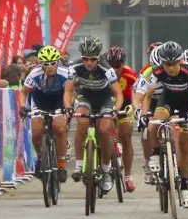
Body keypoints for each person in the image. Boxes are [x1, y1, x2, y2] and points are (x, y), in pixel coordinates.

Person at [139, 41, 188, 208]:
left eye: (174, 64)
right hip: (167, 101)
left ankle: (186, 184)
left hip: (187, 105)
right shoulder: (157, 71)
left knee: (185, 143)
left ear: (180, 61)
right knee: (153, 124)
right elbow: (147, 95)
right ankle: (155, 152)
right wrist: (145, 114)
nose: (171, 68)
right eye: (167, 64)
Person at [66, 37, 124, 192]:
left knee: (104, 130)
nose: (89, 62)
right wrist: (67, 107)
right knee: (82, 122)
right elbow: (68, 90)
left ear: (99, 57)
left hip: (105, 99)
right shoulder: (74, 67)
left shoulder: (107, 69)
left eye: (92, 59)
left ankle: (106, 170)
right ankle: (78, 166)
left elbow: (118, 94)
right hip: (85, 97)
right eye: (85, 58)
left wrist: (115, 110)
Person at [18, 46, 71, 182]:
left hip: (59, 100)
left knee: (60, 128)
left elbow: (69, 93)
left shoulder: (66, 72)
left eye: (53, 63)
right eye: (46, 64)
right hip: (40, 101)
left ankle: (60, 166)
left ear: (57, 62)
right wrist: (23, 107)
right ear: (41, 64)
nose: (50, 67)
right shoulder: (35, 73)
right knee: (36, 133)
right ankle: (41, 158)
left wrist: (68, 107)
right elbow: (23, 92)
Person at [106, 46, 138, 192]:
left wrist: (135, 107)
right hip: (107, 104)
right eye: (111, 66)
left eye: (118, 66)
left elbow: (138, 92)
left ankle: (128, 177)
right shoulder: (102, 73)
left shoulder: (130, 74)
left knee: (126, 137)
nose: (114, 69)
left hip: (125, 105)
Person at [133, 46, 163, 184]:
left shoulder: (175, 68)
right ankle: (148, 162)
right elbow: (138, 97)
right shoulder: (146, 72)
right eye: (156, 68)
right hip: (150, 101)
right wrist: (139, 111)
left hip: (167, 100)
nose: (160, 71)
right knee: (146, 129)